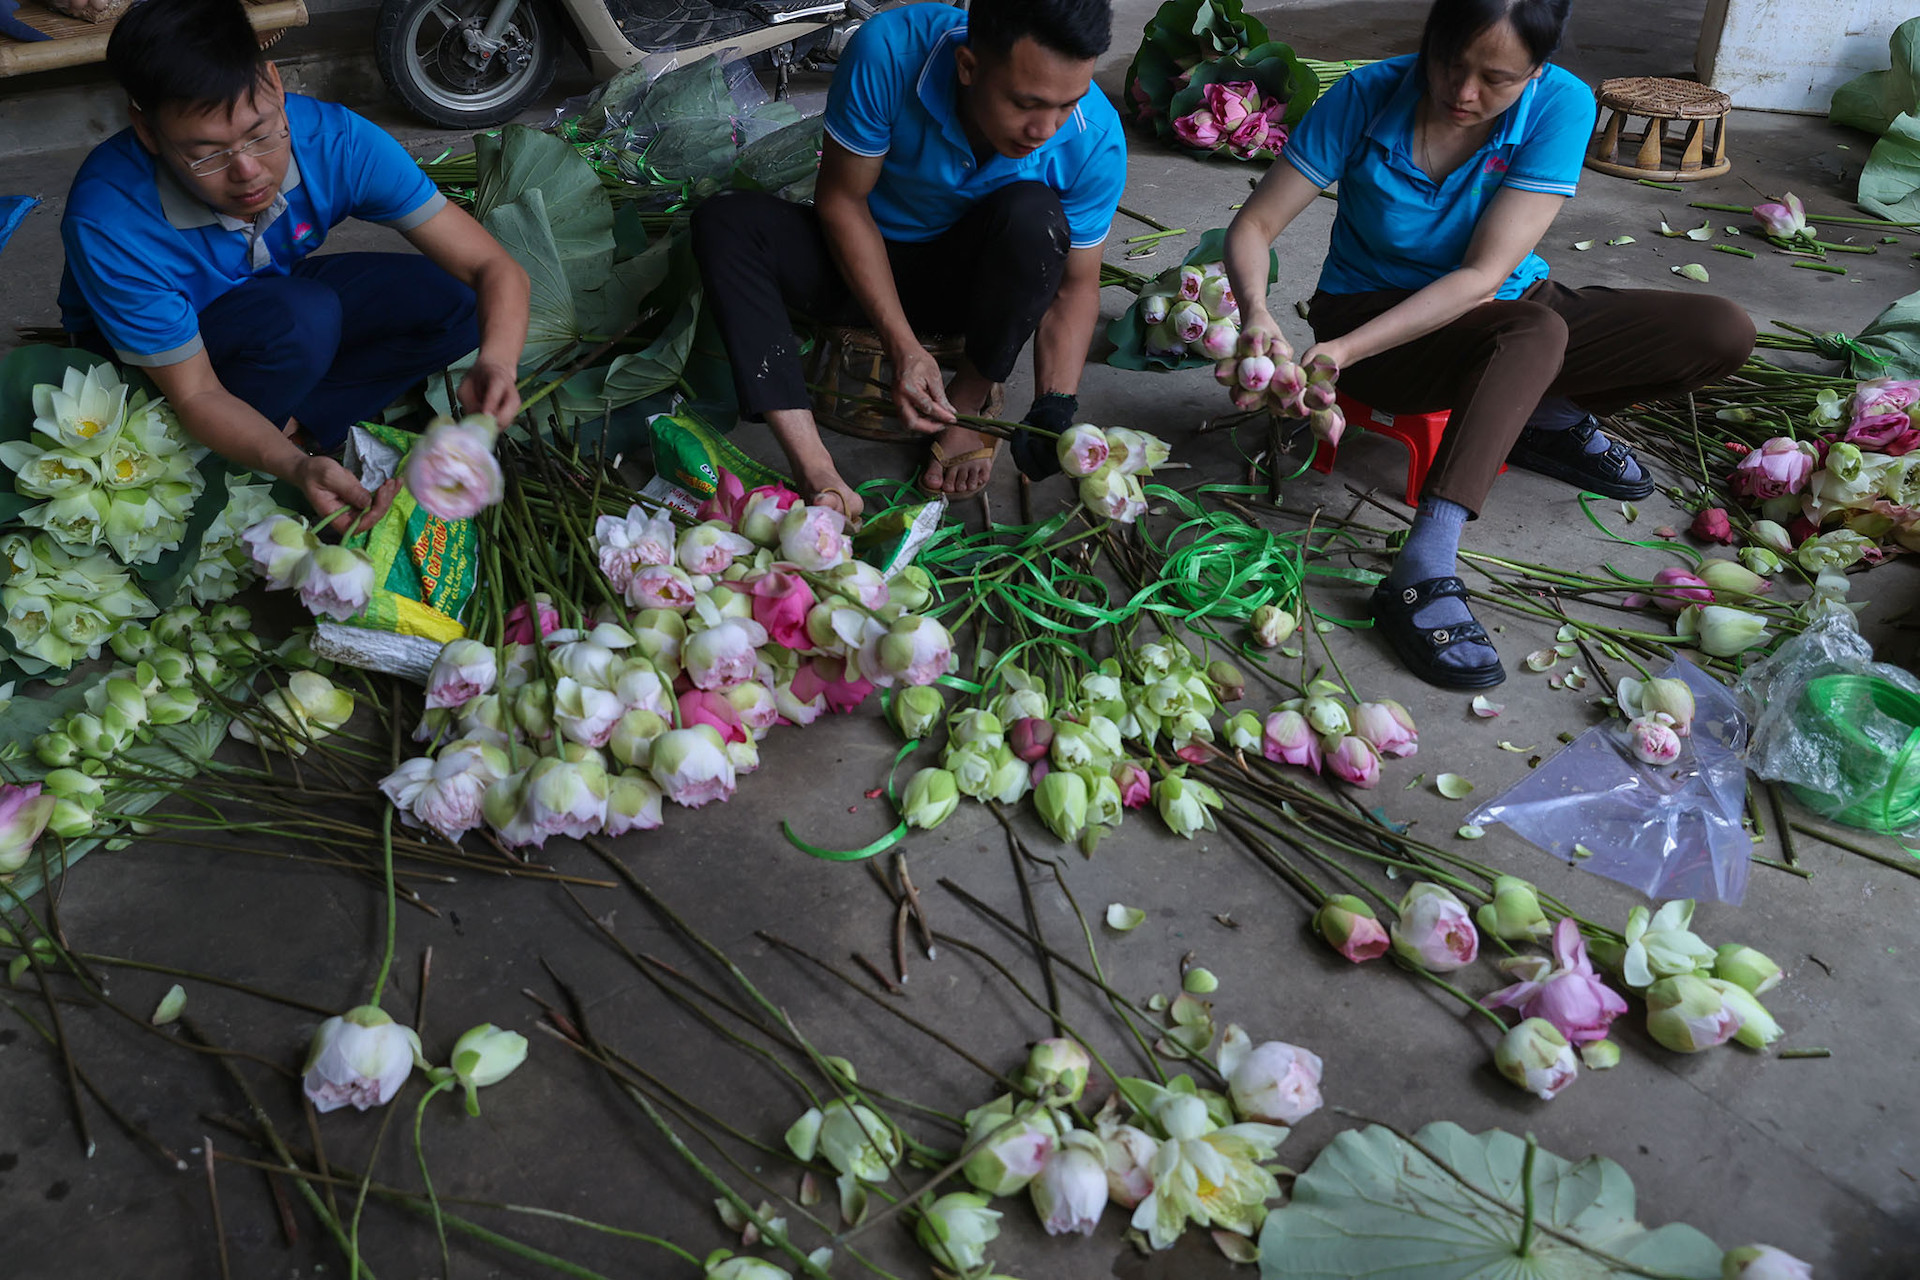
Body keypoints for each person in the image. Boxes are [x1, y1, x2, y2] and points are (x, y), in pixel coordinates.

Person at [1224, 0, 1754, 690]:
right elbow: (1254, 226)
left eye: (1496, 79)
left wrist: (1339, 355)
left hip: (1504, 306)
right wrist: (1262, 315)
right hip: (1373, 324)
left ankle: (1540, 419)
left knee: (1718, 331)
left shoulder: (1560, 103)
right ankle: (1422, 569)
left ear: (1536, 70)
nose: (1464, 92)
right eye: (1449, 63)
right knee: (1533, 332)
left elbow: (1484, 277)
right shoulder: (1365, 95)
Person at [56, 0, 531, 536]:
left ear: (274, 83)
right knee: (302, 319)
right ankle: (269, 449)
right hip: (145, 361)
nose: (248, 172)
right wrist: (293, 470)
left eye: (260, 134)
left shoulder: (334, 142)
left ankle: (295, 426)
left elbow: (492, 266)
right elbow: (196, 392)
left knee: (457, 302)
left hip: (263, 297)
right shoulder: (110, 220)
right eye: (207, 154)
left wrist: (498, 364)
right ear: (146, 129)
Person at [692, 0, 1126, 518]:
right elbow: (843, 202)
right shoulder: (889, 52)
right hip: (856, 262)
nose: (1045, 128)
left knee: (1035, 217)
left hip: (970, 290)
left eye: (1066, 104)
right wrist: (903, 345)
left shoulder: (1095, 136)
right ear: (968, 67)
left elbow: (1075, 287)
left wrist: (1056, 403)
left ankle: (964, 410)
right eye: (1025, 103)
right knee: (725, 222)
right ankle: (816, 470)